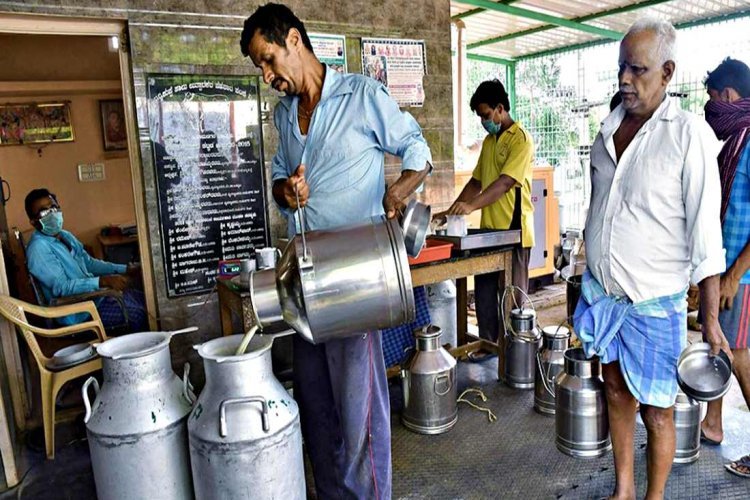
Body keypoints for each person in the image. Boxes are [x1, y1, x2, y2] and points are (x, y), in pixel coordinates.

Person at [239, 4, 432, 498]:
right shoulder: (285, 115)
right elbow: (279, 176)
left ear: (294, 40)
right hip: (304, 283)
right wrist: (286, 191)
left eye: (268, 60)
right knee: (317, 412)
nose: (266, 76)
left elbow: (417, 149)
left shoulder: (361, 96)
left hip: (356, 282)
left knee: (359, 416)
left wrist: (398, 191)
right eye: (259, 67)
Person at [574, 19, 732, 499]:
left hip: (653, 304)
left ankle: (654, 496)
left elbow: (706, 234)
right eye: (622, 67)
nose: (625, 78)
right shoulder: (609, 128)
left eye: (638, 69)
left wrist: (710, 320)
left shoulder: (687, 135)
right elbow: (601, 209)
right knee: (615, 392)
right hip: (604, 295)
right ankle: (624, 489)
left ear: (667, 73)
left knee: (658, 411)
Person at [439, 79, 534, 356]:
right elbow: (476, 182)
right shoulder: (490, 142)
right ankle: (489, 348)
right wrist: (452, 210)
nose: (483, 122)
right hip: (489, 232)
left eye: (486, 115)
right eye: (480, 117)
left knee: (512, 299)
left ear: (500, 108)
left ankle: (515, 354)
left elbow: (505, 183)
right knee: (484, 294)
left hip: (514, 232)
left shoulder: (520, 140)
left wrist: (471, 206)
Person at [700, 57, 750, 479]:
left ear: (730, 96)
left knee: (741, 357)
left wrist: (732, 277)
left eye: (714, 100)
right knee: (717, 344)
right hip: (724, 269)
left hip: (743, 275)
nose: (710, 110)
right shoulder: (733, 144)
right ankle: (713, 423)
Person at [24, 188, 147, 331]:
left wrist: (125, 268)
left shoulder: (64, 235)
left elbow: (89, 263)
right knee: (139, 315)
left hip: (95, 297)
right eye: (44, 212)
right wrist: (102, 281)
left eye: (54, 207)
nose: (52, 214)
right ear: (33, 221)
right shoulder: (38, 247)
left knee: (147, 300)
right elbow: (62, 287)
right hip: (80, 313)